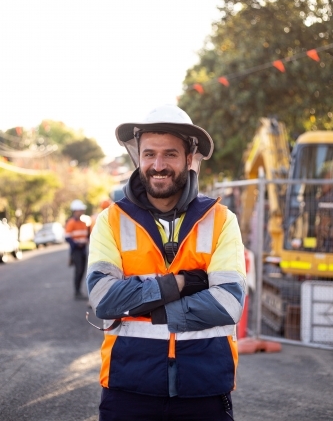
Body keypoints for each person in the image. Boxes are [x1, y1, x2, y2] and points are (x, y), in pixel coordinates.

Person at [87, 105, 246, 421]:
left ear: (189, 159)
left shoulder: (222, 220)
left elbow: (228, 303)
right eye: (149, 154)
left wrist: (148, 310)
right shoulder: (110, 220)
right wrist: (182, 283)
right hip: (128, 387)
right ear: (139, 158)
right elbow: (104, 300)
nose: (158, 165)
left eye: (170, 154)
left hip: (204, 388)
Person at [65, 199, 90, 300]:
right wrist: (76, 244)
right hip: (76, 251)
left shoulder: (83, 223)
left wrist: (86, 241)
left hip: (83, 249)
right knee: (78, 270)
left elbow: (86, 235)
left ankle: (79, 291)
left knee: (83, 270)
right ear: (75, 210)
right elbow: (67, 237)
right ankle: (77, 292)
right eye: (80, 210)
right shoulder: (71, 223)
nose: (82, 212)